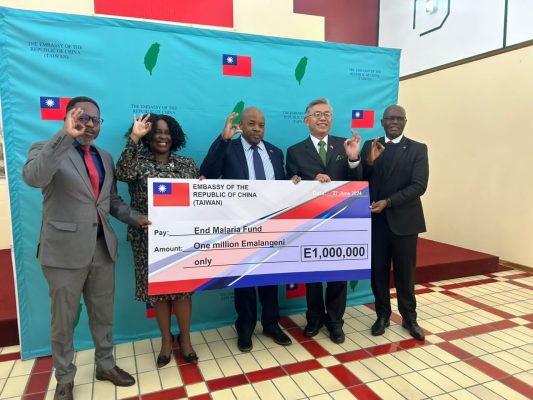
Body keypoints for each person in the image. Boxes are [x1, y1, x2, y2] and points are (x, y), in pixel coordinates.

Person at [22, 97, 149, 400]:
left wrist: (137, 218)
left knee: (103, 315)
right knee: (63, 321)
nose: (90, 124)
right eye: (83, 118)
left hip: (102, 249)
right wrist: (65, 136)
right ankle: (64, 378)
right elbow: (34, 178)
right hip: (63, 252)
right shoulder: (45, 147)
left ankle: (105, 365)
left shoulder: (104, 157)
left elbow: (110, 201)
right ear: (68, 118)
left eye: (95, 120)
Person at [200, 107, 292, 352]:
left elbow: (283, 188)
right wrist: (223, 141)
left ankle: (271, 324)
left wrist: (293, 185)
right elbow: (208, 173)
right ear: (241, 125)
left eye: (261, 125)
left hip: (272, 227)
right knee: (245, 281)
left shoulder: (275, 152)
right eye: (251, 124)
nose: (257, 129)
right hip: (240, 227)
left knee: (270, 278)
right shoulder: (229, 148)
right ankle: (245, 328)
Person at [116, 113, 199, 366]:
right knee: (159, 292)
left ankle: (185, 340)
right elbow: (122, 173)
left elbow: (198, 198)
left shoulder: (187, 164)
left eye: (167, 132)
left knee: (182, 291)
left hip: (181, 238)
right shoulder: (137, 162)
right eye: (157, 132)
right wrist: (134, 138)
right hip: (148, 239)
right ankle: (165, 340)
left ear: (175, 137)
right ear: (148, 136)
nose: (163, 137)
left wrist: (201, 187)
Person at [286, 98, 362, 344]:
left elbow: (357, 183)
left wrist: (353, 159)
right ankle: (315, 319)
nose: (323, 118)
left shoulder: (345, 145)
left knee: (339, 274)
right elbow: (289, 185)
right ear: (306, 120)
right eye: (317, 114)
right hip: (311, 224)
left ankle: (335, 322)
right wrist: (301, 182)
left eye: (327, 114)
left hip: (341, 221)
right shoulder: (294, 151)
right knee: (313, 274)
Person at [360, 104, 429, 341]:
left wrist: (389, 202)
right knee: (378, 272)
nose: (394, 122)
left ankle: (409, 318)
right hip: (376, 224)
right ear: (382, 122)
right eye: (390, 118)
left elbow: (419, 186)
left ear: (405, 122)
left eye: (399, 118)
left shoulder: (418, 149)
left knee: (405, 274)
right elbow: (359, 181)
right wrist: (369, 162)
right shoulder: (370, 146)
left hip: (405, 222)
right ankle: (382, 316)